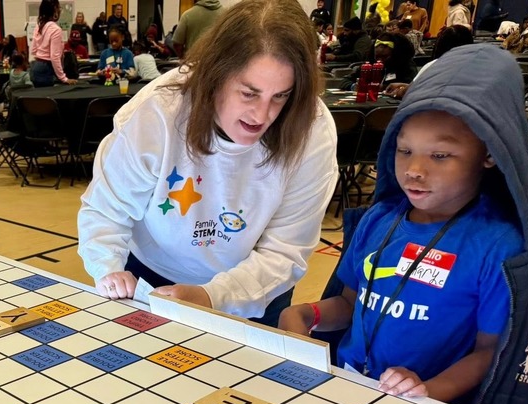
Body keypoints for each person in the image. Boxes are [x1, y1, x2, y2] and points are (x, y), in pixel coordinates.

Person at [280, 46, 526, 404]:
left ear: (490, 153)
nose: (415, 170)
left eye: (440, 156)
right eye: (404, 150)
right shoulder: (380, 219)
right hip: (347, 387)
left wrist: (426, 391)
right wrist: (306, 313)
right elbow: (351, 304)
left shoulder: (497, 245)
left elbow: (490, 352)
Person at [78, 0, 338, 327]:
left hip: (256, 288)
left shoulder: (312, 130)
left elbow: (284, 251)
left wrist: (212, 296)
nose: (262, 115)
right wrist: (109, 269)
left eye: (280, 96)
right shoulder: (158, 111)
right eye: (248, 93)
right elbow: (106, 208)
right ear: (215, 75)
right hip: (152, 274)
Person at [385, 24, 472, 98]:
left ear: (439, 44)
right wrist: (405, 86)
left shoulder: (434, 66)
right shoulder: (476, 68)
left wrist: (399, 91)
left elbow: (411, 92)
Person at [339, 33, 417, 90]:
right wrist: (354, 86)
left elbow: (411, 88)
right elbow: (345, 80)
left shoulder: (407, 66)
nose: (379, 61)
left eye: (384, 57)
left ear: (395, 53)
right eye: (377, 57)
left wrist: (383, 87)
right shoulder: (370, 64)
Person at [30, 0, 75, 87]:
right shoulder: (55, 29)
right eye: (59, 8)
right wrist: (64, 78)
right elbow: (54, 57)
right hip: (47, 68)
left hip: (36, 67)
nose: (60, 10)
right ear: (55, 10)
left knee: (39, 99)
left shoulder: (39, 25)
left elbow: (33, 49)